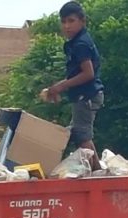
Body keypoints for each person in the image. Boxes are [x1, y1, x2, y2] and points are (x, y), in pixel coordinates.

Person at [44, 1, 104, 170]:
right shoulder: (75, 42)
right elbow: (76, 72)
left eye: (71, 21)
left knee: (82, 136)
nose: (67, 26)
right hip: (83, 95)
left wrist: (61, 86)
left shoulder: (81, 44)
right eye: (63, 22)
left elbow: (88, 73)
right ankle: (98, 170)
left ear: (82, 21)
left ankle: (98, 173)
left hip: (87, 96)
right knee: (79, 133)